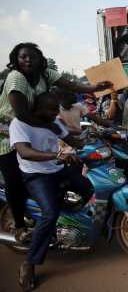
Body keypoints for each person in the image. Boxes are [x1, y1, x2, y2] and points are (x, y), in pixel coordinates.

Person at [0, 43, 110, 244]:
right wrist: (51, 127)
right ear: (16, 59)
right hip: (8, 131)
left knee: (68, 164)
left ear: (39, 59)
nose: (27, 60)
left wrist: (93, 88)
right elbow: (22, 114)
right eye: (23, 57)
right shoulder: (16, 78)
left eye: (32, 57)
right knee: (14, 178)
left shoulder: (44, 73)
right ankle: (19, 225)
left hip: (37, 125)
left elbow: (72, 85)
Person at [10, 92, 94, 291]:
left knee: (88, 188)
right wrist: (57, 154)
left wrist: (95, 137)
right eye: (51, 108)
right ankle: (29, 263)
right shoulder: (19, 123)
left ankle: (72, 227)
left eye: (56, 108)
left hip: (57, 168)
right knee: (50, 213)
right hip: (36, 175)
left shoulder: (53, 123)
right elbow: (24, 152)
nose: (55, 112)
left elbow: (75, 142)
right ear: (38, 108)